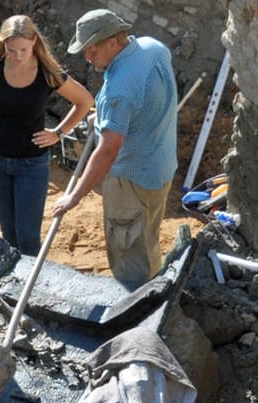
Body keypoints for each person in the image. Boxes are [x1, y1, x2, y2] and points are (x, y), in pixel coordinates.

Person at [52, 9, 180, 288]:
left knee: (130, 256)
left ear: (113, 42)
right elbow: (145, 101)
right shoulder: (152, 48)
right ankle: (154, 287)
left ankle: (137, 312)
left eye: (92, 50)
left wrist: (74, 196)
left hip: (130, 180)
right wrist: (105, 118)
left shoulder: (119, 90)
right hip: (161, 167)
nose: (87, 58)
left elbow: (108, 151)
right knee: (147, 237)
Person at [0, 16, 95, 257]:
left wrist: (58, 133)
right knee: (9, 235)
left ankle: (30, 289)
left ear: (34, 42)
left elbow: (85, 101)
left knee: (28, 239)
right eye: (11, 50)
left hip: (32, 165)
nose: (18, 56)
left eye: (23, 50)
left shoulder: (48, 73)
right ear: (3, 45)